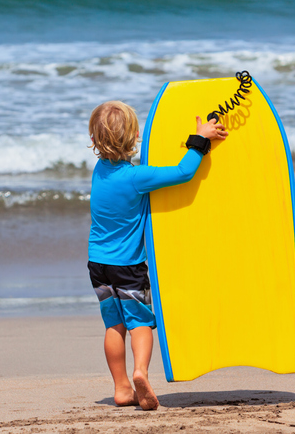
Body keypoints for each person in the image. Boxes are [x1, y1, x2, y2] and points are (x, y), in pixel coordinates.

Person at [87, 100, 227, 410]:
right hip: (128, 266)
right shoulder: (136, 178)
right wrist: (201, 138)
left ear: (94, 141)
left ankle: (121, 388)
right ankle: (140, 372)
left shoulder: (99, 171)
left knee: (114, 326)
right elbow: (183, 172)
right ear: (136, 136)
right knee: (140, 324)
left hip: (97, 263)